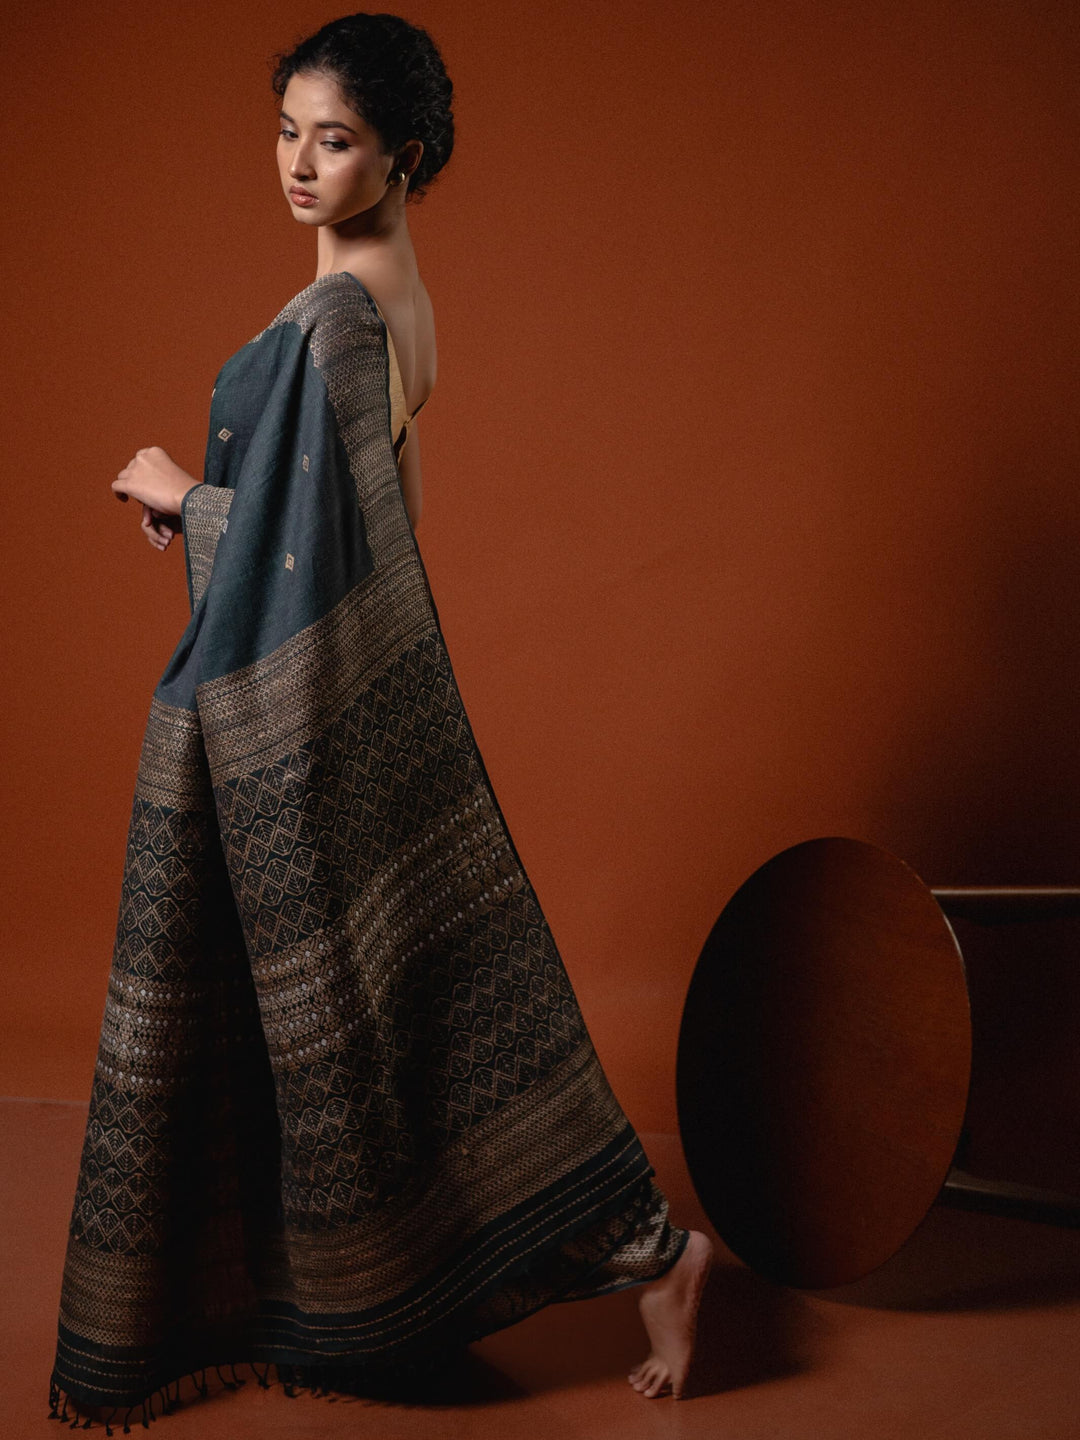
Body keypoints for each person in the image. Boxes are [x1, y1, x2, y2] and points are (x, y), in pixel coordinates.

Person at [48, 12, 713, 1430]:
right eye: (285, 129)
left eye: (332, 138)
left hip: (324, 704)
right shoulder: (389, 284)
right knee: (408, 994)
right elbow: (345, 521)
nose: (297, 161)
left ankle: (647, 1256)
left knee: (383, 1002)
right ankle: (585, 1257)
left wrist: (179, 491)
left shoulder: (343, 317)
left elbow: (312, 535)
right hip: (359, 681)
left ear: (400, 154)